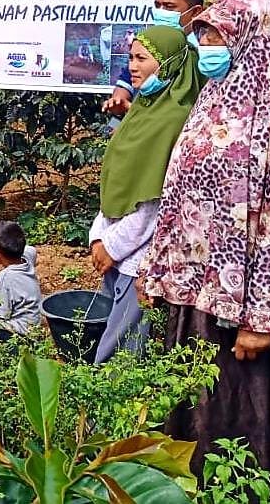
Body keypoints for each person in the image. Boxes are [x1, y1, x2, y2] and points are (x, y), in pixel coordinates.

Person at [138, 0, 270, 493]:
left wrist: (261, 321)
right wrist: (158, 271)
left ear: (252, 39)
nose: (206, 44)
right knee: (190, 422)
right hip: (197, 300)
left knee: (239, 429)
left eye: (216, 35)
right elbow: (181, 196)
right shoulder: (214, 102)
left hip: (245, 319)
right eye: (203, 34)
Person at [89, 25, 203, 363]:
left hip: (140, 259)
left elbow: (156, 202)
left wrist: (112, 245)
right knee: (118, 341)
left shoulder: (174, 119)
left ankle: (106, 414)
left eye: (142, 58)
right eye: (130, 58)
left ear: (168, 64)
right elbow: (117, 183)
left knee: (120, 354)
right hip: (115, 250)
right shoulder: (142, 109)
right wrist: (99, 238)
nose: (133, 67)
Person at [103, 0, 205, 116]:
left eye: (169, 7)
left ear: (195, 12)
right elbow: (126, 80)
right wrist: (118, 101)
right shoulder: (149, 42)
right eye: (157, 5)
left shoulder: (206, 52)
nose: (160, 12)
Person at [0, 221, 40, 337]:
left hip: (19, 335)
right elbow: (31, 249)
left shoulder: (5, 277)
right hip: (34, 327)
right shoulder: (28, 256)